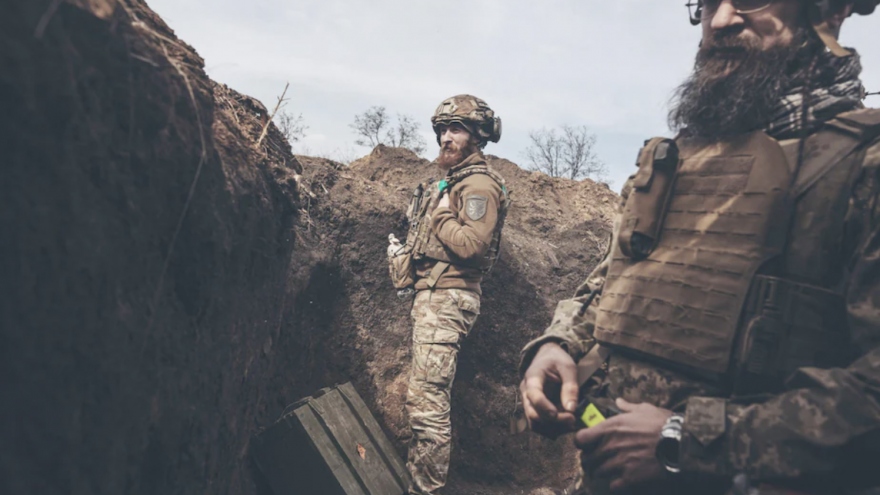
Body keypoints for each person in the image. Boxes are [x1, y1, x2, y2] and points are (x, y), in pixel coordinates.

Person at [518, 1, 880, 494]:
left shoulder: (864, 165)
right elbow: (613, 284)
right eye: (708, 3)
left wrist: (689, 440)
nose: (722, 19)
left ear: (828, 11)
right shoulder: (675, 160)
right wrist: (559, 345)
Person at [388, 95, 509, 495]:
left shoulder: (479, 185)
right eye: (442, 130)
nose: (445, 137)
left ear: (478, 136)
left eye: (456, 129)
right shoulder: (453, 182)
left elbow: (472, 245)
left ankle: (425, 490)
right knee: (422, 400)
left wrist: (439, 213)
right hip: (434, 298)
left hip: (448, 300)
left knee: (428, 405)